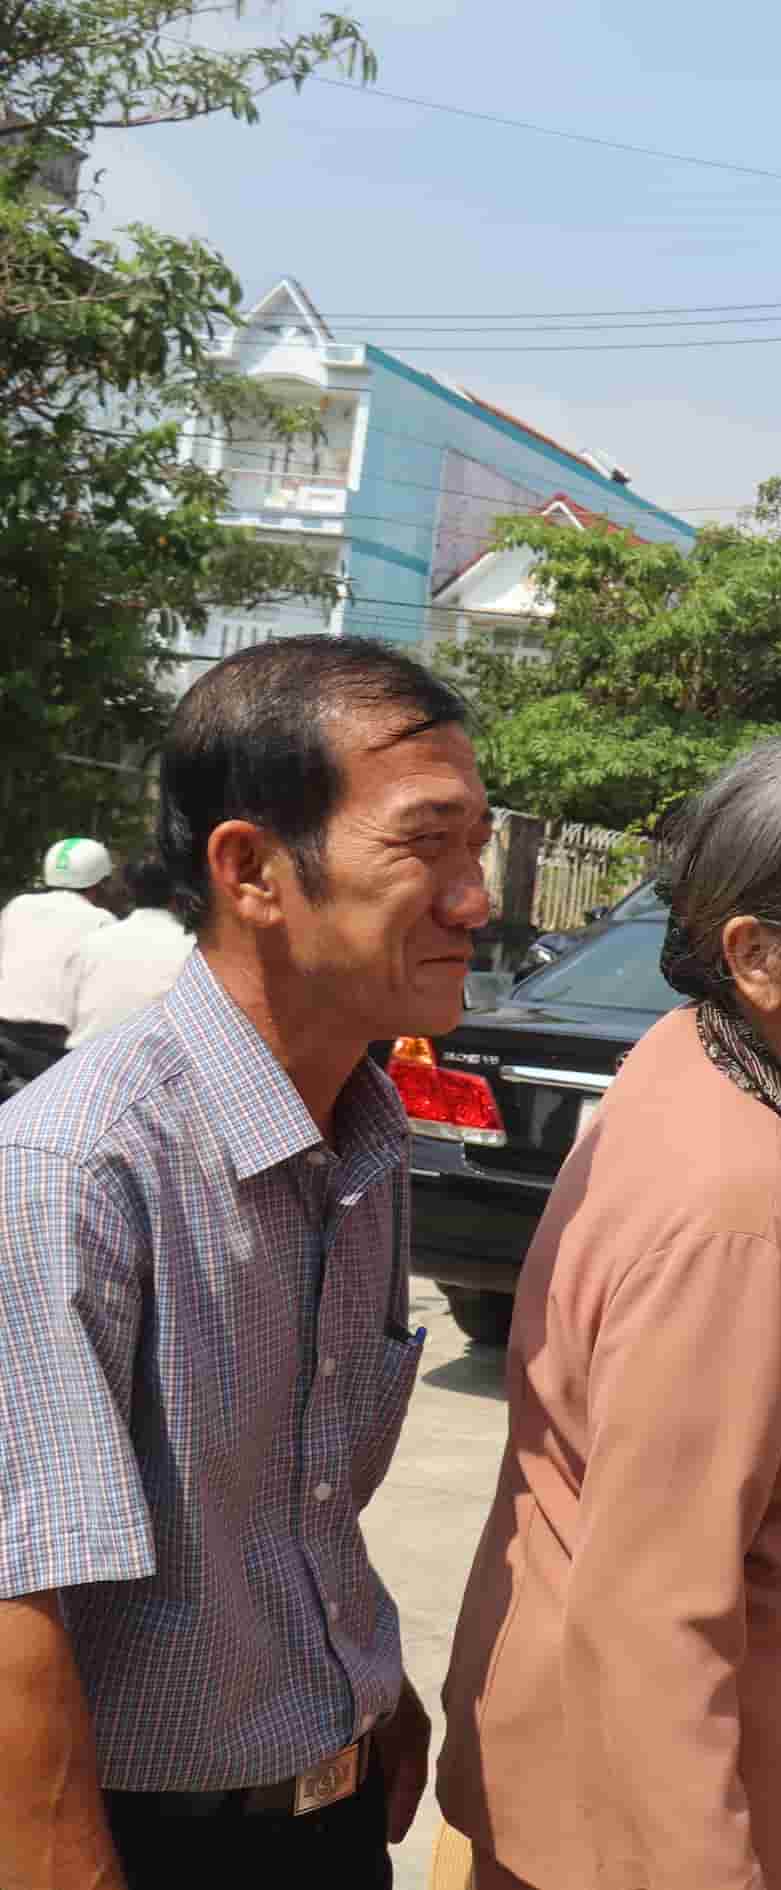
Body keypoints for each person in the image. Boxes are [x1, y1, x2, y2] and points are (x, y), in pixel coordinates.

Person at [438, 734, 781, 1890]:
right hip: (668, 1825)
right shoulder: (735, 1212)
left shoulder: (718, 1063)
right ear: (756, 956)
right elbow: (652, 1620)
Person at [0, 636, 491, 1888]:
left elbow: (296, 1490)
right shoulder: (74, 1167)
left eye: (474, 848)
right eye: (425, 844)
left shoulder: (363, 1136)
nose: (474, 898)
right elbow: (17, 1596)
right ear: (253, 868)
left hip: (328, 1812)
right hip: (139, 1837)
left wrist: (356, 1677)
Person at [0, 836, 126, 1068]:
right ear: (100, 882)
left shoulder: (17, 906)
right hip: (56, 1049)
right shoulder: (103, 921)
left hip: (4, 1037)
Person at [66, 862, 194, 1047]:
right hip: (153, 1063)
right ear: (178, 895)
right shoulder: (193, 947)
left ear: (130, 893)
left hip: (83, 1060)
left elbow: (70, 1014)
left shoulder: (92, 942)